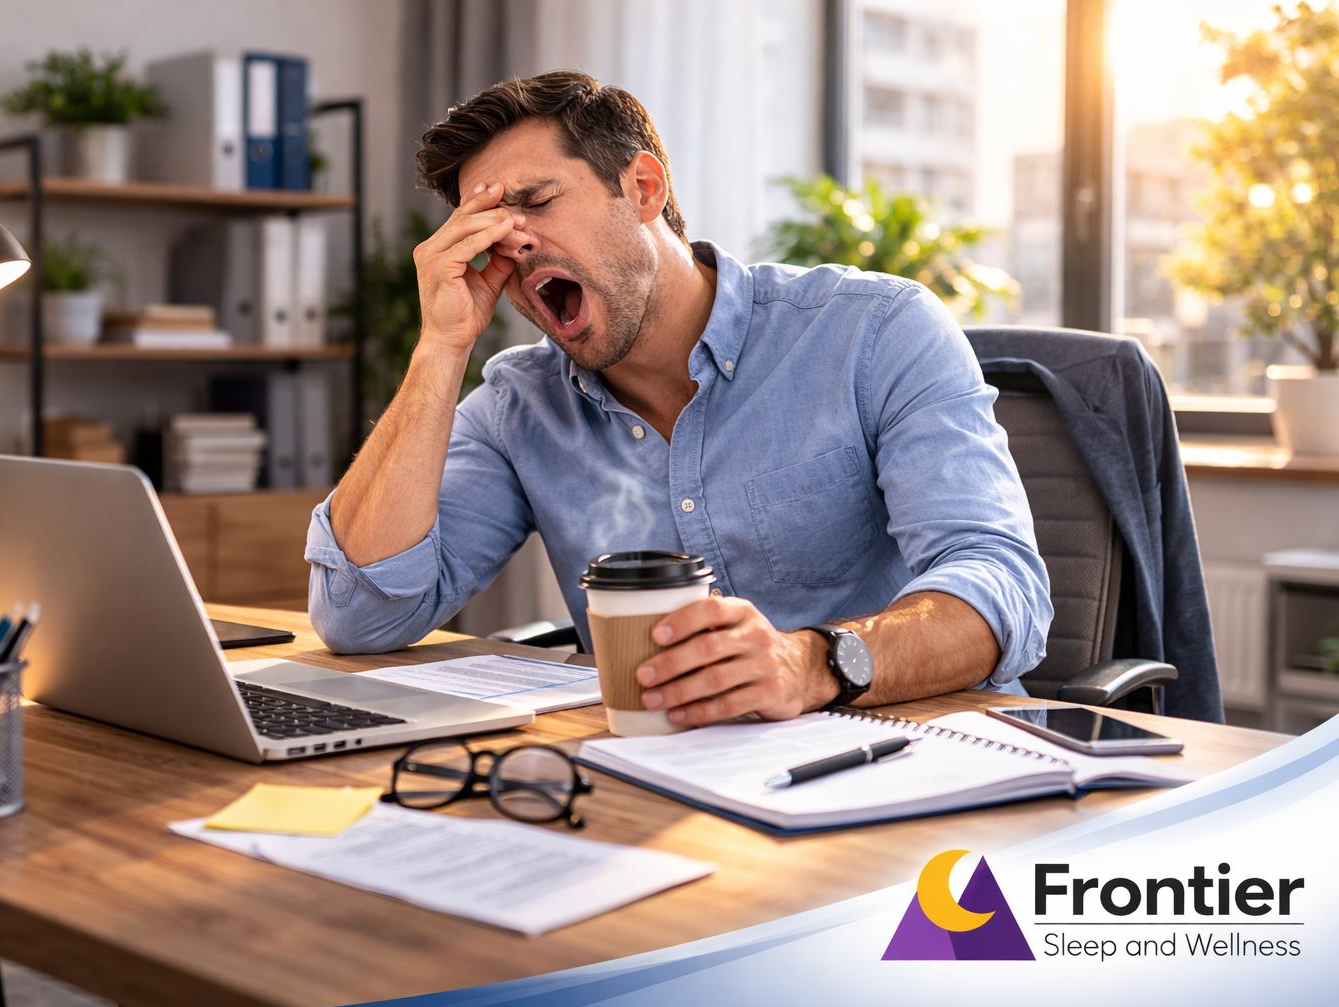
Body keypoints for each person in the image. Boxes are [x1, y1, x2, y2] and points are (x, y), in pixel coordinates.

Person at [306, 70, 1052, 726]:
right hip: (668, 780)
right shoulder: (518, 406)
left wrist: (812, 663)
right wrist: (440, 348)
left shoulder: (872, 330)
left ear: (642, 188)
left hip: (911, 754)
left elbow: (1001, 583)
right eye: (489, 231)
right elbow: (358, 617)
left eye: (535, 201)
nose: (514, 244)